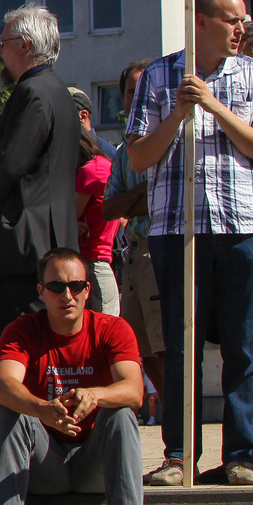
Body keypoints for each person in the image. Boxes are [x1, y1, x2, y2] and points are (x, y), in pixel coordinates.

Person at [127, 0, 253, 487]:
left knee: (245, 346)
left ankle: (241, 455)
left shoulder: (252, 75)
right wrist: (180, 114)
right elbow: (138, 157)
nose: (240, 30)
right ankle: (179, 454)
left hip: (241, 226)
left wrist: (214, 108)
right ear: (200, 21)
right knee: (180, 345)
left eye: (243, 21)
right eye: (230, 20)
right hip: (177, 228)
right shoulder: (161, 76)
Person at [0, 248, 146, 505]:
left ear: (88, 289)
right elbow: (3, 386)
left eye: (76, 286)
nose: (67, 295)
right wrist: (41, 409)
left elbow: (133, 390)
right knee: (13, 414)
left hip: (95, 462)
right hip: (46, 464)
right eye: (57, 287)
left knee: (122, 415)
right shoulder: (22, 330)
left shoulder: (113, 329)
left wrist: (96, 395)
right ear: (41, 291)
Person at [0, 5, 81, 322]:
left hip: (27, 241)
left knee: (26, 337)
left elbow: (10, 164)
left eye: (3, 44)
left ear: (24, 45)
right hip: (50, 237)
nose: (1, 53)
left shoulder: (33, 92)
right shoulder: (58, 90)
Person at [99, 60, 163, 415]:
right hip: (132, 257)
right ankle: (177, 433)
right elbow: (110, 209)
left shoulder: (170, 143)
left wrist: (137, 198)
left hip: (158, 252)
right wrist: (144, 190)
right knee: (142, 352)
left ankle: (182, 442)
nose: (135, 98)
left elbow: (164, 202)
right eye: (129, 91)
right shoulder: (124, 152)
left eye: (142, 89)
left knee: (166, 349)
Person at [69, 88, 119, 316]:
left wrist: (68, 223)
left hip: (94, 258)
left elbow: (73, 215)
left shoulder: (93, 169)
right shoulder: (106, 161)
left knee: (103, 326)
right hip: (100, 258)